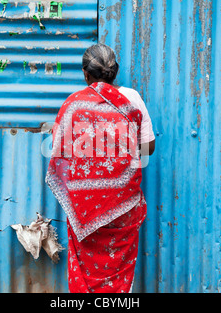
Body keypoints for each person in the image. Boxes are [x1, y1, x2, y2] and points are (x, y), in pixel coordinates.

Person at [45, 43, 155, 293]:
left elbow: (59, 150)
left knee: (85, 270)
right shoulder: (132, 99)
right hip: (124, 204)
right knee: (119, 271)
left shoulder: (73, 104)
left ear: (86, 74)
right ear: (115, 71)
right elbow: (148, 147)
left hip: (84, 209)